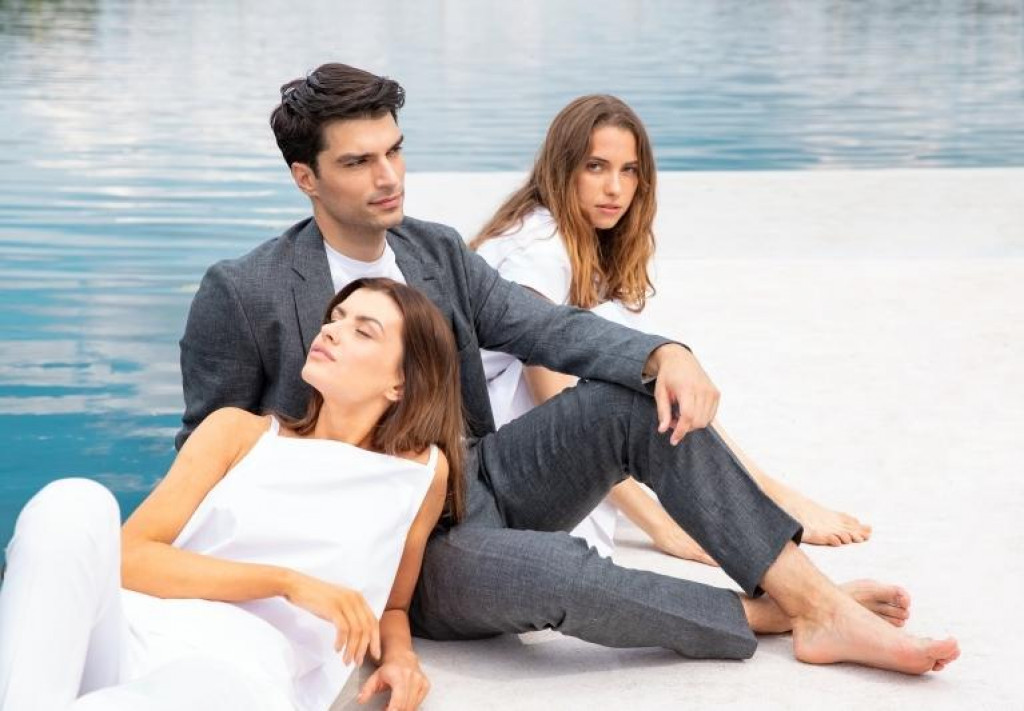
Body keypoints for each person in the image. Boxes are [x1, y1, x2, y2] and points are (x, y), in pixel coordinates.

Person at [177, 62, 959, 678]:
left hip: (482, 475)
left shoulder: (433, 248)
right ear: (306, 177)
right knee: (559, 572)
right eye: (359, 161)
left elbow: (544, 326)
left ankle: (814, 603)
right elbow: (208, 471)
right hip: (405, 548)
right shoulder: (245, 292)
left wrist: (663, 353)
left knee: (629, 400)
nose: (389, 177)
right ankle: (772, 612)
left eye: (395, 150)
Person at [0, 278, 463, 711]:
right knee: (73, 501)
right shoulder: (239, 434)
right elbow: (129, 558)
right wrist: (287, 582)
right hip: (129, 633)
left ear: (400, 383)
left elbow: (393, 604)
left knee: (203, 686)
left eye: (362, 331)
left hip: (239, 671)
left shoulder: (420, 474)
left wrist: (400, 658)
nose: (331, 331)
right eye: (336, 317)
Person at [472, 95, 871, 564]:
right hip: (487, 451)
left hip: (504, 430)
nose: (615, 189)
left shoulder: (570, 236)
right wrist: (663, 527)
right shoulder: (539, 249)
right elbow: (555, 395)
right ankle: (757, 493)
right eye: (596, 167)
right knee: (621, 353)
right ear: (562, 170)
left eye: (629, 171)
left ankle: (761, 489)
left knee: (635, 350)